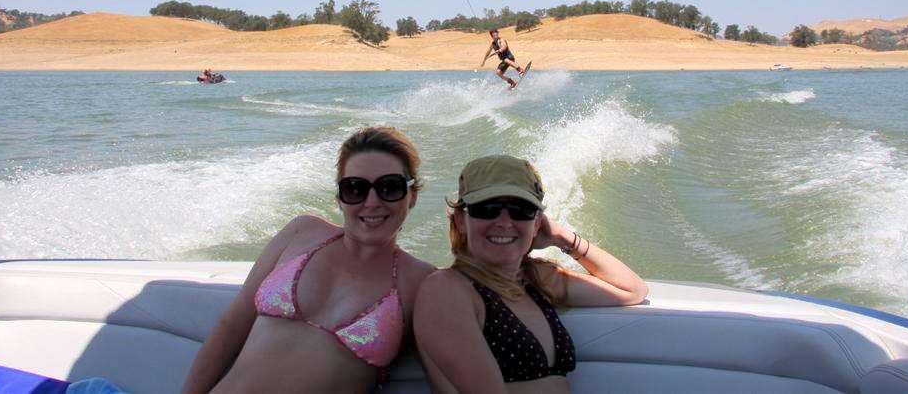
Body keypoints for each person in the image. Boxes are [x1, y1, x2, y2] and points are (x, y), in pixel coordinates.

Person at [182, 127, 436, 393]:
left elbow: (448, 373)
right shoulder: (301, 232)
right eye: (354, 188)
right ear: (340, 199)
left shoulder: (422, 283)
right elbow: (232, 327)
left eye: (389, 187)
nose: (372, 202)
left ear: (412, 196)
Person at [414, 155, 647, 393]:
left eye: (521, 210)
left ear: (537, 224)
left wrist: (561, 237)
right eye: (487, 209)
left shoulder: (535, 279)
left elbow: (631, 290)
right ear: (461, 221)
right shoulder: (447, 290)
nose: (504, 222)